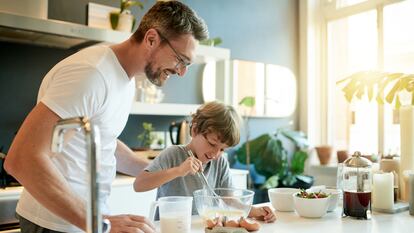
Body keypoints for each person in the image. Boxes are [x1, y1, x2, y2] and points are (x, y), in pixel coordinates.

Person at [4, 1, 208, 232]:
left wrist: (162, 169)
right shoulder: (91, 74)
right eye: (180, 60)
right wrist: (102, 224)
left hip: (82, 221)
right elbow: (22, 159)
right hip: (54, 224)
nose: (181, 72)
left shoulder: (124, 78)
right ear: (151, 39)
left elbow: (102, 141)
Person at [134, 101, 276, 223]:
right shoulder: (173, 154)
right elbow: (139, 184)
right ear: (195, 130)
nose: (215, 154)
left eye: (222, 149)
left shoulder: (220, 163)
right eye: (212, 144)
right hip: (173, 227)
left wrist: (254, 211)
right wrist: (178, 171)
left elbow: (229, 199)